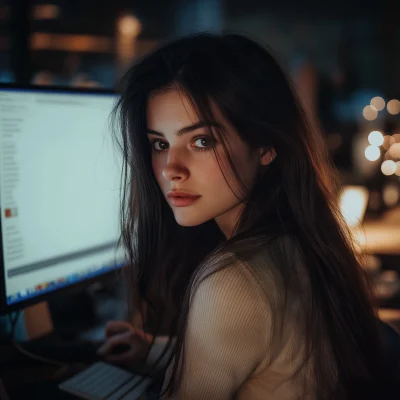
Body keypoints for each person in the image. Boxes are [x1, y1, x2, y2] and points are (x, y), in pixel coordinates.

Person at [97, 33, 397, 399]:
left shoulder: (231, 280)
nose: (171, 169)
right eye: (160, 144)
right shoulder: (296, 238)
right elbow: (272, 353)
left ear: (266, 146)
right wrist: (155, 351)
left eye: (202, 141)